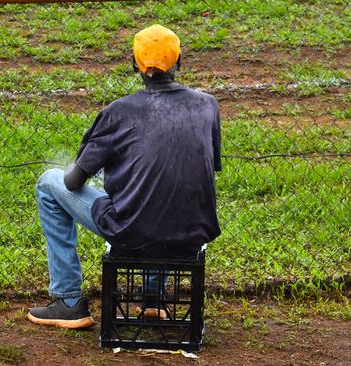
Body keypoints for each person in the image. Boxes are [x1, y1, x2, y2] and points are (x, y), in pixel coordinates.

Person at [27, 24, 221, 329]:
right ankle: (153, 300)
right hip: (191, 235)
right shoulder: (207, 105)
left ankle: (68, 301)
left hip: (132, 234)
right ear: (179, 61)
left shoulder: (119, 111)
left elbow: (73, 182)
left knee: (49, 183)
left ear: (134, 64)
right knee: (165, 193)